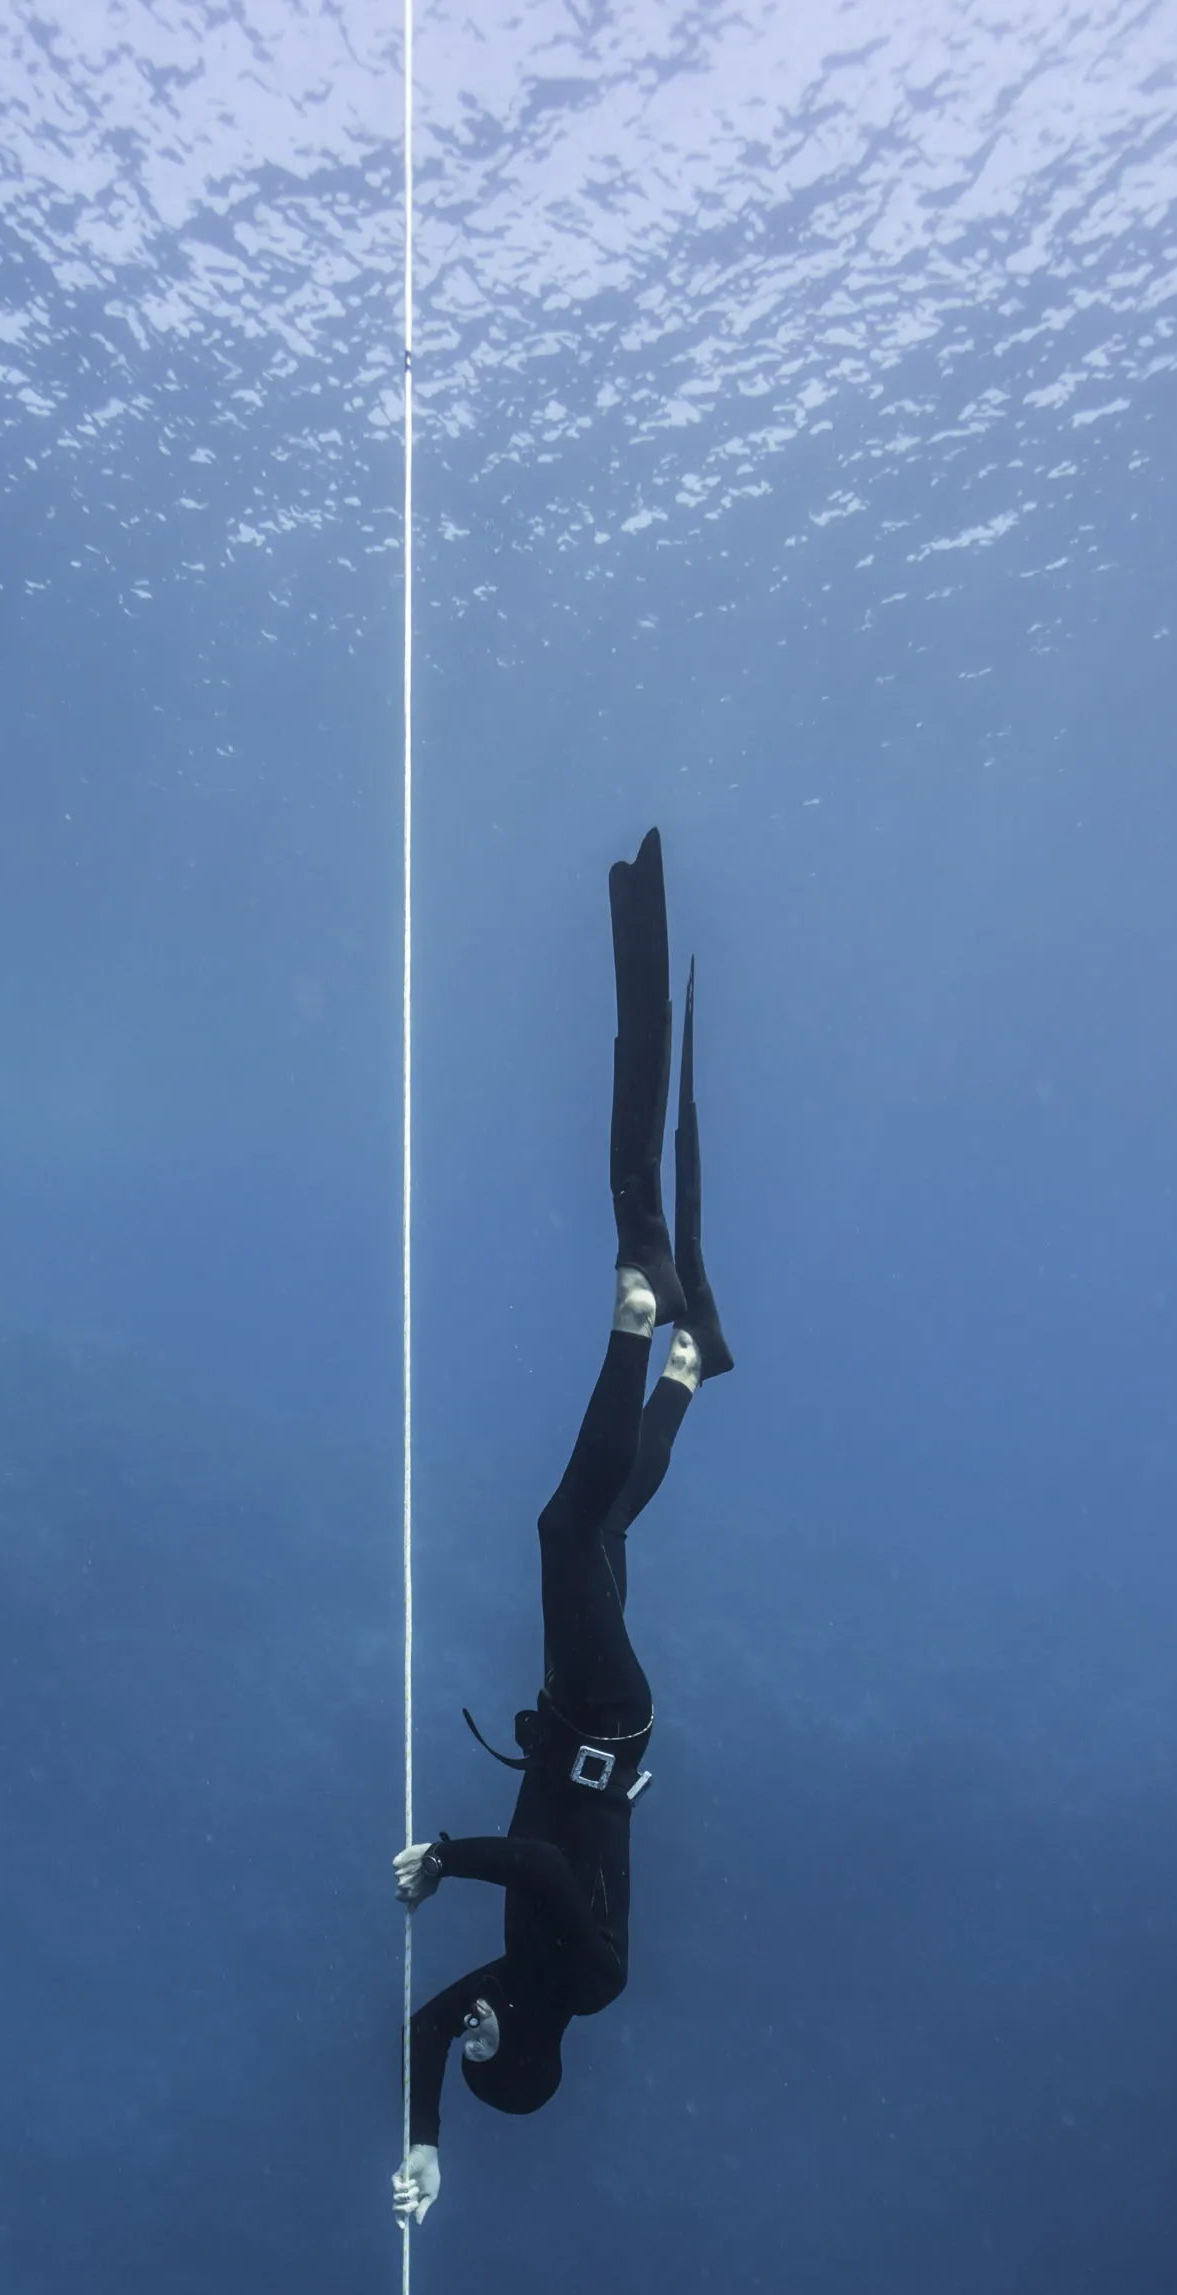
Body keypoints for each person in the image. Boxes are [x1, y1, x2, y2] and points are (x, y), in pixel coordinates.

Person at [390, 828, 732, 2225]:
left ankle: (688, 1378)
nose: (467, 2029)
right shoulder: (584, 1981)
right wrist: (442, 1862)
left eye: (471, 2040)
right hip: (607, 1716)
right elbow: (531, 1861)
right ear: (522, 2052)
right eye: (483, 2052)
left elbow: (417, 2035)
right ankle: (631, 1334)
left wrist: (423, 2148)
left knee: (606, 1530)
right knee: (559, 1529)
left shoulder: (507, 2000)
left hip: (583, 1724)